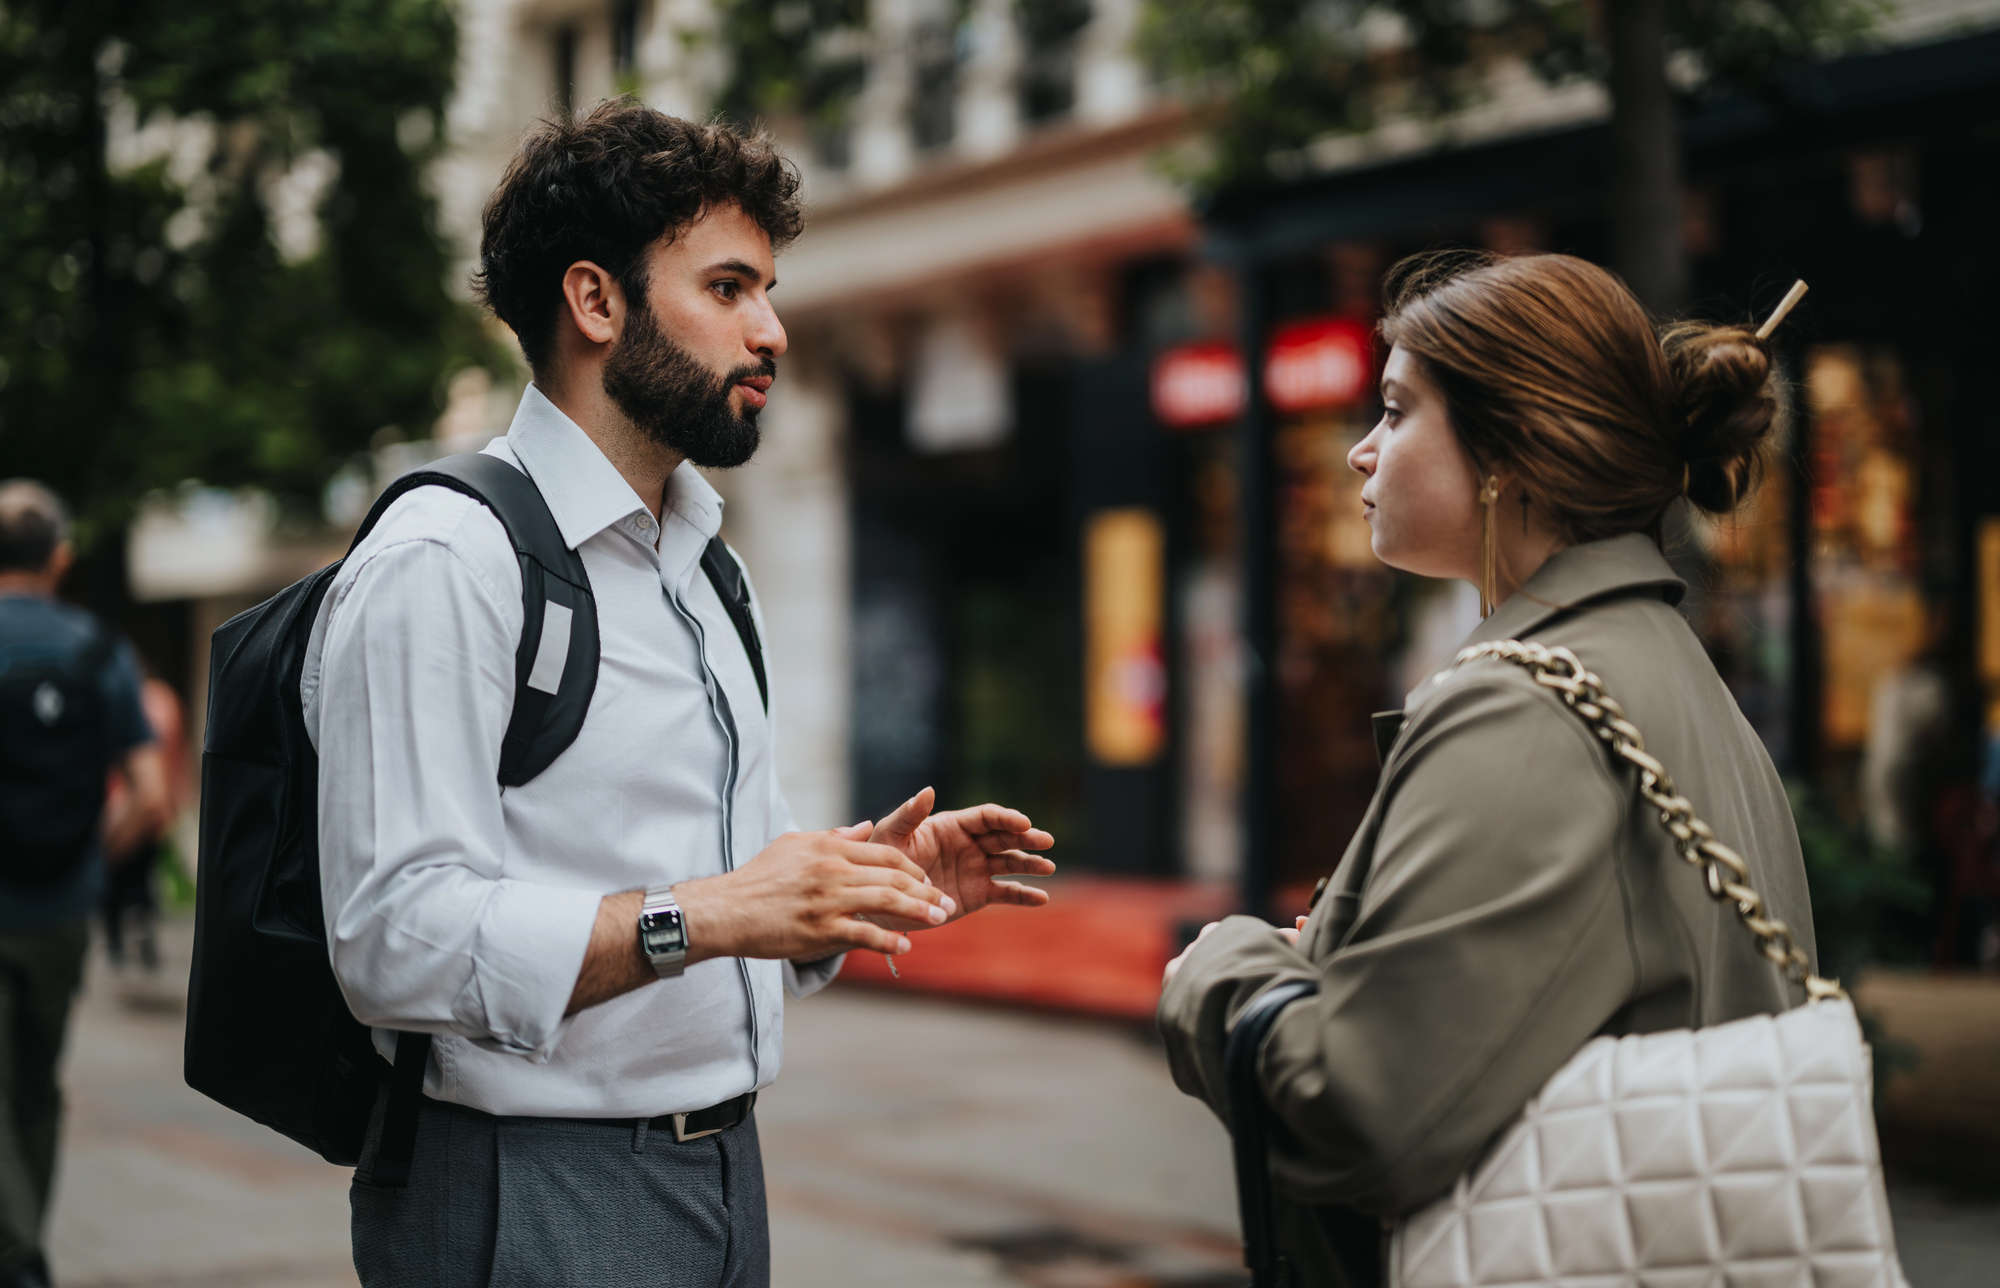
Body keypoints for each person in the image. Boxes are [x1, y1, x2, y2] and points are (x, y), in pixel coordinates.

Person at [306, 100, 1057, 1287]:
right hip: (524, 1183)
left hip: (720, 1175)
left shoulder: (708, 567)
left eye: (768, 289)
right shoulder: (448, 562)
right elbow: (396, 940)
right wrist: (707, 914)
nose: (772, 331)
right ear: (595, 301)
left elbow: (718, 888)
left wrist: (848, 887)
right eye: (726, 288)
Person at [1158, 251, 1818, 1285]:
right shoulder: (1665, 672)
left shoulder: (1528, 702)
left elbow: (1360, 1116)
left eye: (1393, 409)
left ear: (1511, 447)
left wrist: (1217, 969)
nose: (1359, 454)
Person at [0, 480, 167, 1288]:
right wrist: (90, 861)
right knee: (35, 1086)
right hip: (61, 911)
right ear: (61, 558)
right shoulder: (97, 650)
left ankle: (17, 1257)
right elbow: (149, 792)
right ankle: (24, 1243)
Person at [100, 673, 191, 975]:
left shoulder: (117, 697)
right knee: (142, 871)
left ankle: (117, 937)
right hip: (155, 800)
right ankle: (140, 916)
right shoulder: (166, 699)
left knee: (115, 874)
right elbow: (177, 753)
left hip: (121, 800)